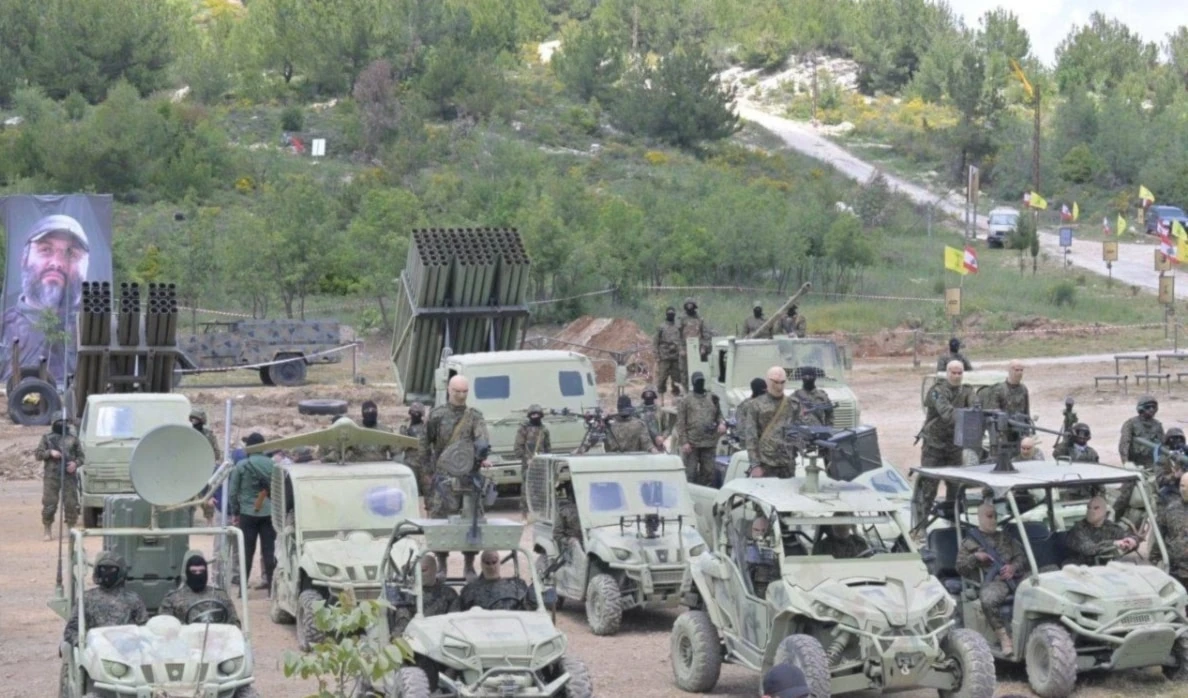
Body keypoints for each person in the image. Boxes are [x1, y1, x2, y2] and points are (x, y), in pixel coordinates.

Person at [0, 214, 91, 384]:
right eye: (45, 250)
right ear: (24, 258)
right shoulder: (2, 327)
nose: (57, 263)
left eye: (71, 253)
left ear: (86, 266)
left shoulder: (95, 331)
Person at [419, 375, 491, 576]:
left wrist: (482, 453)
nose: (461, 395)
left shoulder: (474, 416)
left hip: (469, 477)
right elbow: (424, 444)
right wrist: (426, 474)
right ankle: (442, 565)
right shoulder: (437, 415)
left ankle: (469, 565)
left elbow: (482, 437)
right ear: (449, 390)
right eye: (457, 391)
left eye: (465, 391)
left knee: (472, 520)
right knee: (441, 521)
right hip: (443, 479)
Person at [956, 502, 1028, 654]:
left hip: (1015, 577)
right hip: (995, 582)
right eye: (989, 516)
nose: (994, 520)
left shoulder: (1005, 538)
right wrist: (976, 557)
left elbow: (1021, 557)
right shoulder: (970, 542)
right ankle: (1003, 637)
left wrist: (1013, 567)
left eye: (995, 516)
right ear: (980, 518)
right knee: (987, 599)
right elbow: (960, 567)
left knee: (1044, 579)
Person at [913, 361, 974, 524]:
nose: (956, 376)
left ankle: (952, 523)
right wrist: (969, 416)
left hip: (954, 446)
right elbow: (947, 414)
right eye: (953, 373)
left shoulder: (967, 391)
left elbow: (977, 409)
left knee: (955, 489)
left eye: (959, 373)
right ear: (947, 373)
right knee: (928, 489)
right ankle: (920, 526)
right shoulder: (937, 391)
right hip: (934, 446)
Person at [63, 551, 148, 645]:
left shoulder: (133, 600)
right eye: (103, 569)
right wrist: (84, 643)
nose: (107, 573)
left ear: (121, 572)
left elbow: (144, 630)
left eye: (112, 570)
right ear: (97, 571)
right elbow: (71, 630)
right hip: (96, 652)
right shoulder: (87, 599)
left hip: (126, 652)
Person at [229, 432, 276, 591]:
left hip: (248, 514)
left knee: (247, 553)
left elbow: (233, 493)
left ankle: (243, 590)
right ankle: (272, 590)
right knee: (269, 552)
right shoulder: (272, 464)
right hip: (268, 513)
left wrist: (235, 511)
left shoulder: (241, 465)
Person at [745, 367, 802, 478]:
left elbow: (799, 431)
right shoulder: (756, 405)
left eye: (782, 382)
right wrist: (755, 465)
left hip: (787, 463)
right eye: (775, 382)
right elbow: (751, 437)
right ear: (768, 381)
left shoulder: (793, 404)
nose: (779, 386)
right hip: (766, 463)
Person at [157, 551, 241, 626]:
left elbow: (234, 625)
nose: (198, 575)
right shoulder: (172, 599)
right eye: (194, 572)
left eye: (201, 572)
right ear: (187, 573)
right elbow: (164, 628)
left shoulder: (220, 596)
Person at [1117, 395, 1164, 521]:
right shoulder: (1131, 424)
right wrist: (1126, 462)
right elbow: (1124, 443)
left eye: (1154, 407)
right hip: (1135, 466)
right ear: (1141, 408)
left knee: (1165, 493)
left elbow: (1162, 447)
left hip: (1153, 466)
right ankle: (1114, 519)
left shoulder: (1158, 426)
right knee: (1123, 496)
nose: (1152, 410)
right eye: (1149, 407)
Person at [36, 418, 84, 540]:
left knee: (71, 504)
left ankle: (70, 529)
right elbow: (38, 454)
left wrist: (75, 464)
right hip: (52, 476)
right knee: (49, 504)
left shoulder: (73, 438)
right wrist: (50, 452)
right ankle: (47, 530)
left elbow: (81, 457)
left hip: (69, 476)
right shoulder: (47, 438)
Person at [676, 372, 725, 485]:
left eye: (702, 381)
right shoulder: (686, 400)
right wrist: (684, 442)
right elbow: (680, 423)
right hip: (692, 444)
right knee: (690, 473)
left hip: (709, 443)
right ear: (693, 383)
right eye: (698, 381)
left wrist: (722, 423)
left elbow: (719, 415)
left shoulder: (712, 398)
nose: (700, 383)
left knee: (709, 473)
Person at [1064, 497, 1139, 567]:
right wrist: (1114, 543)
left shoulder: (1110, 526)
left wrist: (1131, 540)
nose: (1091, 511)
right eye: (1088, 508)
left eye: (1096, 508)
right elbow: (1090, 549)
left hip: (1107, 568)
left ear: (1104, 511)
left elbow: (1129, 536)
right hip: (1079, 569)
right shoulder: (1078, 529)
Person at [458, 550, 537, 611]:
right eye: (487, 563)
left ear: (499, 562)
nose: (491, 567)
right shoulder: (469, 590)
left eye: (494, 562)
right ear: (482, 564)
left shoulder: (517, 584)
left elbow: (529, 606)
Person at [1151, 473, 1188, 588]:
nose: (1184, 490)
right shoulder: (1171, 509)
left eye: (1187, 486)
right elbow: (1159, 535)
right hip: (1175, 572)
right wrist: (1153, 559)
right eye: (1182, 486)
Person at [514, 404, 551, 514]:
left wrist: (547, 461)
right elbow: (518, 448)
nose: (535, 416)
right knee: (527, 490)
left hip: (542, 464)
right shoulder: (523, 429)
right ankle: (525, 514)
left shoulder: (544, 430)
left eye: (537, 414)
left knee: (542, 490)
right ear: (529, 415)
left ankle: (542, 513)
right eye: (533, 414)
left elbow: (548, 448)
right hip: (528, 465)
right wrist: (527, 459)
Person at [191, 408, 223, 525]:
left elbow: (216, 452)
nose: (193, 421)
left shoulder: (208, 435)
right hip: (191, 468)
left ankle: (209, 520)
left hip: (203, 468)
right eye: (192, 419)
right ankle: (188, 520)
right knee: (189, 496)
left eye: (195, 419)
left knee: (207, 495)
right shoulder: (188, 433)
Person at [677, 297, 712, 388]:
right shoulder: (681, 319)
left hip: (698, 349)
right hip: (685, 349)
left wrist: (704, 347)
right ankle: (686, 391)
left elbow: (706, 334)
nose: (689, 307)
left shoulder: (700, 319)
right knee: (684, 371)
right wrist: (681, 348)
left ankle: (698, 389)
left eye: (691, 305)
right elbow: (677, 335)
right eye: (688, 305)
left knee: (698, 371)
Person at [746, 517, 780, 597]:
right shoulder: (746, 550)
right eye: (756, 530)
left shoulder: (776, 549)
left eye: (764, 531)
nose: (760, 534)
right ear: (751, 530)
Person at [654, 306, 683, 399]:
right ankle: (661, 400)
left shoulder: (678, 327)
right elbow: (655, 342)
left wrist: (681, 352)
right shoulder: (661, 327)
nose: (671, 315)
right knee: (662, 379)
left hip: (675, 358)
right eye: (669, 313)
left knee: (677, 380)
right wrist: (657, 356)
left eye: (672, 313)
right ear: (666, 314)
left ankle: (676, 399)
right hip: (664, 357)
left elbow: (682, 341)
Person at [399, 402, 427, 490]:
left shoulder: (409, 430)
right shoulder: (427, 428)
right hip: (424, 466)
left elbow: (402, 446)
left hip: (412, 465)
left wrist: (403, 426)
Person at [1157, 428, 1188, 497]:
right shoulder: (1163, 458)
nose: (1177, 442)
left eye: (1180, 439)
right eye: (1173, 439)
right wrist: (1175, 476)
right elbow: (1160, 481)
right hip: (1172, 489)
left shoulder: (1184, 456)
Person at [638, 386, 667, 451]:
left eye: (651, 394)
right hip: (642, 447)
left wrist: (662, 437)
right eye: (646, 394)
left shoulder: (660, 411)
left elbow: (667, 428)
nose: (648, 397)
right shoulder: (638, 411)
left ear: (654, 396)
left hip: (657, 445)